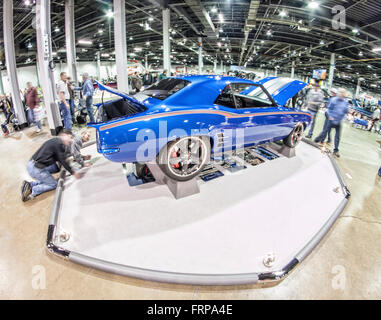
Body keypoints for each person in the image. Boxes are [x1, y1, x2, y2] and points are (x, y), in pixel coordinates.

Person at [21, 130, 82, 202]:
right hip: (36, 169)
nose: (71, 140)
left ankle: (30, 184)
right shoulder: (59, 143)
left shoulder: (55, 141)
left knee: (47, 178)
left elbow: (61, 158)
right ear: (63, 135)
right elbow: (62, 160)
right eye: (70, 137)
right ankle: (33, 189)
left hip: (32, 165)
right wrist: (73, 172)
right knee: (54, 184)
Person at [314, 88, 349, 158]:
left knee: (337, 136)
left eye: (343, 93)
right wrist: (329, 116)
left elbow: (345, 112)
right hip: (331, 120)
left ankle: (336, 150)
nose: (342, 94)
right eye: (341, 92)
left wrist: (343, 118)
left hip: (338, 122)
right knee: (324, 132)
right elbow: (328, 109)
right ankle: (316, 140)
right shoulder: (333, 100)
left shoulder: (345, 102)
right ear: (338, 93)